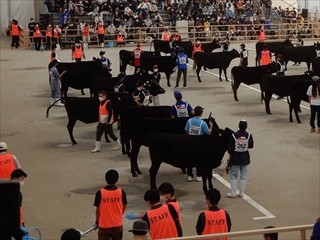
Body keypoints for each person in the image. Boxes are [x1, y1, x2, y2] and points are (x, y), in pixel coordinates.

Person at [93, 169, 127, 240]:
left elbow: (98, 210)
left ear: (105, 179)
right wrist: (119, 213)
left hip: (104, 225)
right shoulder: (121, 192)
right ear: (117, 180)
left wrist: (97, 221)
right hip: (117, 224)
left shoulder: (100, 193)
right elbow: (124, 206)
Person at [227, 120, 254, 198]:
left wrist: (230, 155)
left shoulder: (233, 135)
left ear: (238, 126)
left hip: (235, 157)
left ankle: (233, 193)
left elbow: (230, 148)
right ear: (246, 127)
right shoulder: (249, 135)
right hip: (245, 156)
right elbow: (251, 145)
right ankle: (241, 193)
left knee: (233, 174)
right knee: (244, 175)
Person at [185, 106, 213, 182]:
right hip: (199, 144)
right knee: (199, 160)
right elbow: (208, 133)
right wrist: (211, 125)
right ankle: (199, 175)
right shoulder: (202, 123)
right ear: (201, 114)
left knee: (190, 159)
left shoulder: (189, 121)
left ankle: (189, 175)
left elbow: (187, 132)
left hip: (190, 142)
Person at [10, 169, 29, 239]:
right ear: (15, 179)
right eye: (21, 179)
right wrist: (21, 226)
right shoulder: (17, 194)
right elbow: (17, 210)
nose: (22, 182)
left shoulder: (5, 189)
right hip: (17, 223)